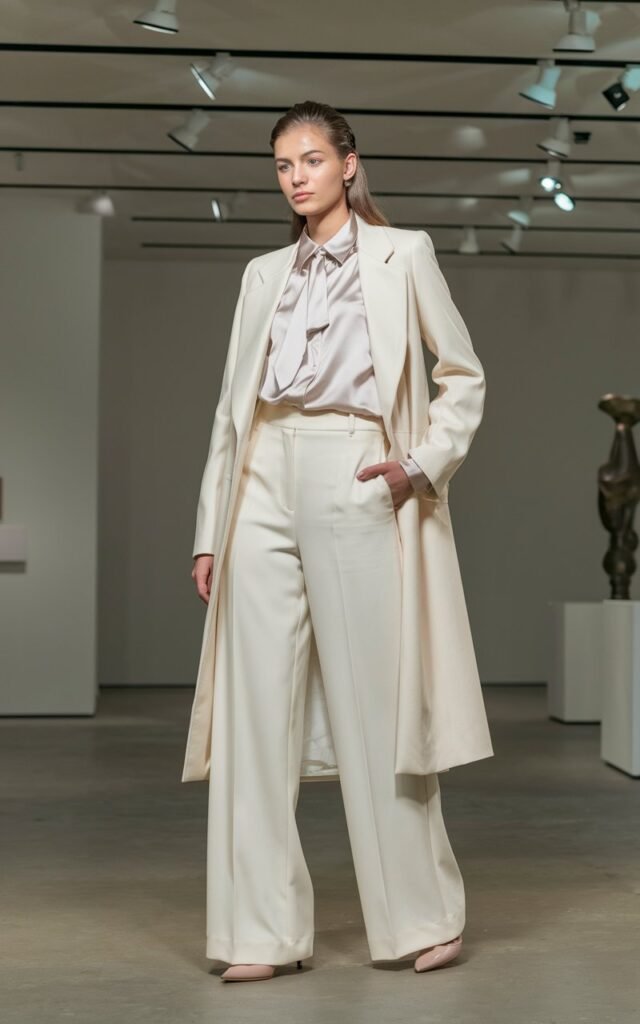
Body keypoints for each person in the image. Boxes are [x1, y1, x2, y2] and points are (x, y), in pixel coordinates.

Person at [189, 100, 493, 983]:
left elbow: (463, 376)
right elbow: (227, 410)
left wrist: (419, 464)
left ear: (349, 165)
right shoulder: (260, 273)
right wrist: (211, 528)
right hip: (261, 478)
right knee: (254, 714)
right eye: (284, 164)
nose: (297, 176)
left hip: (355, 465)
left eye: (313, 159)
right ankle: (258, 935)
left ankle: (421, 919)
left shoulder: (405, 255)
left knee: (376, 704)